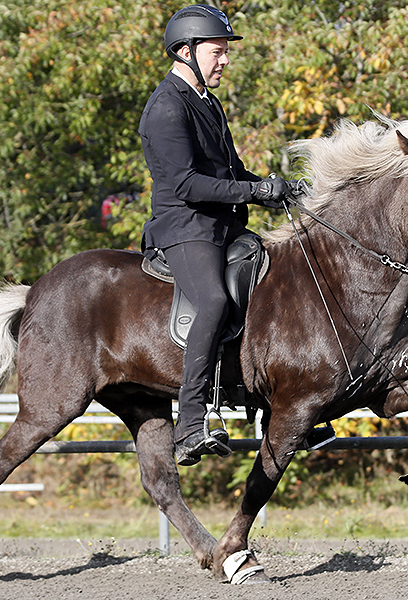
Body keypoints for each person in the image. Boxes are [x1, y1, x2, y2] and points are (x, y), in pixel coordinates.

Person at [138, 5, 291, 466]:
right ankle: (189, 423)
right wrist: (254, 189)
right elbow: (186, 183)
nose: (224, 60)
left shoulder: (206, 100)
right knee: (214, 301)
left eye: (226, 52)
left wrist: (273, 189)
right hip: (185, 227)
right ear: (185, 51)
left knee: (280, 279)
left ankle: (280, 403)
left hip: (223, 225)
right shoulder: (166, 106)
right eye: (217, 52)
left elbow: (227, 171)